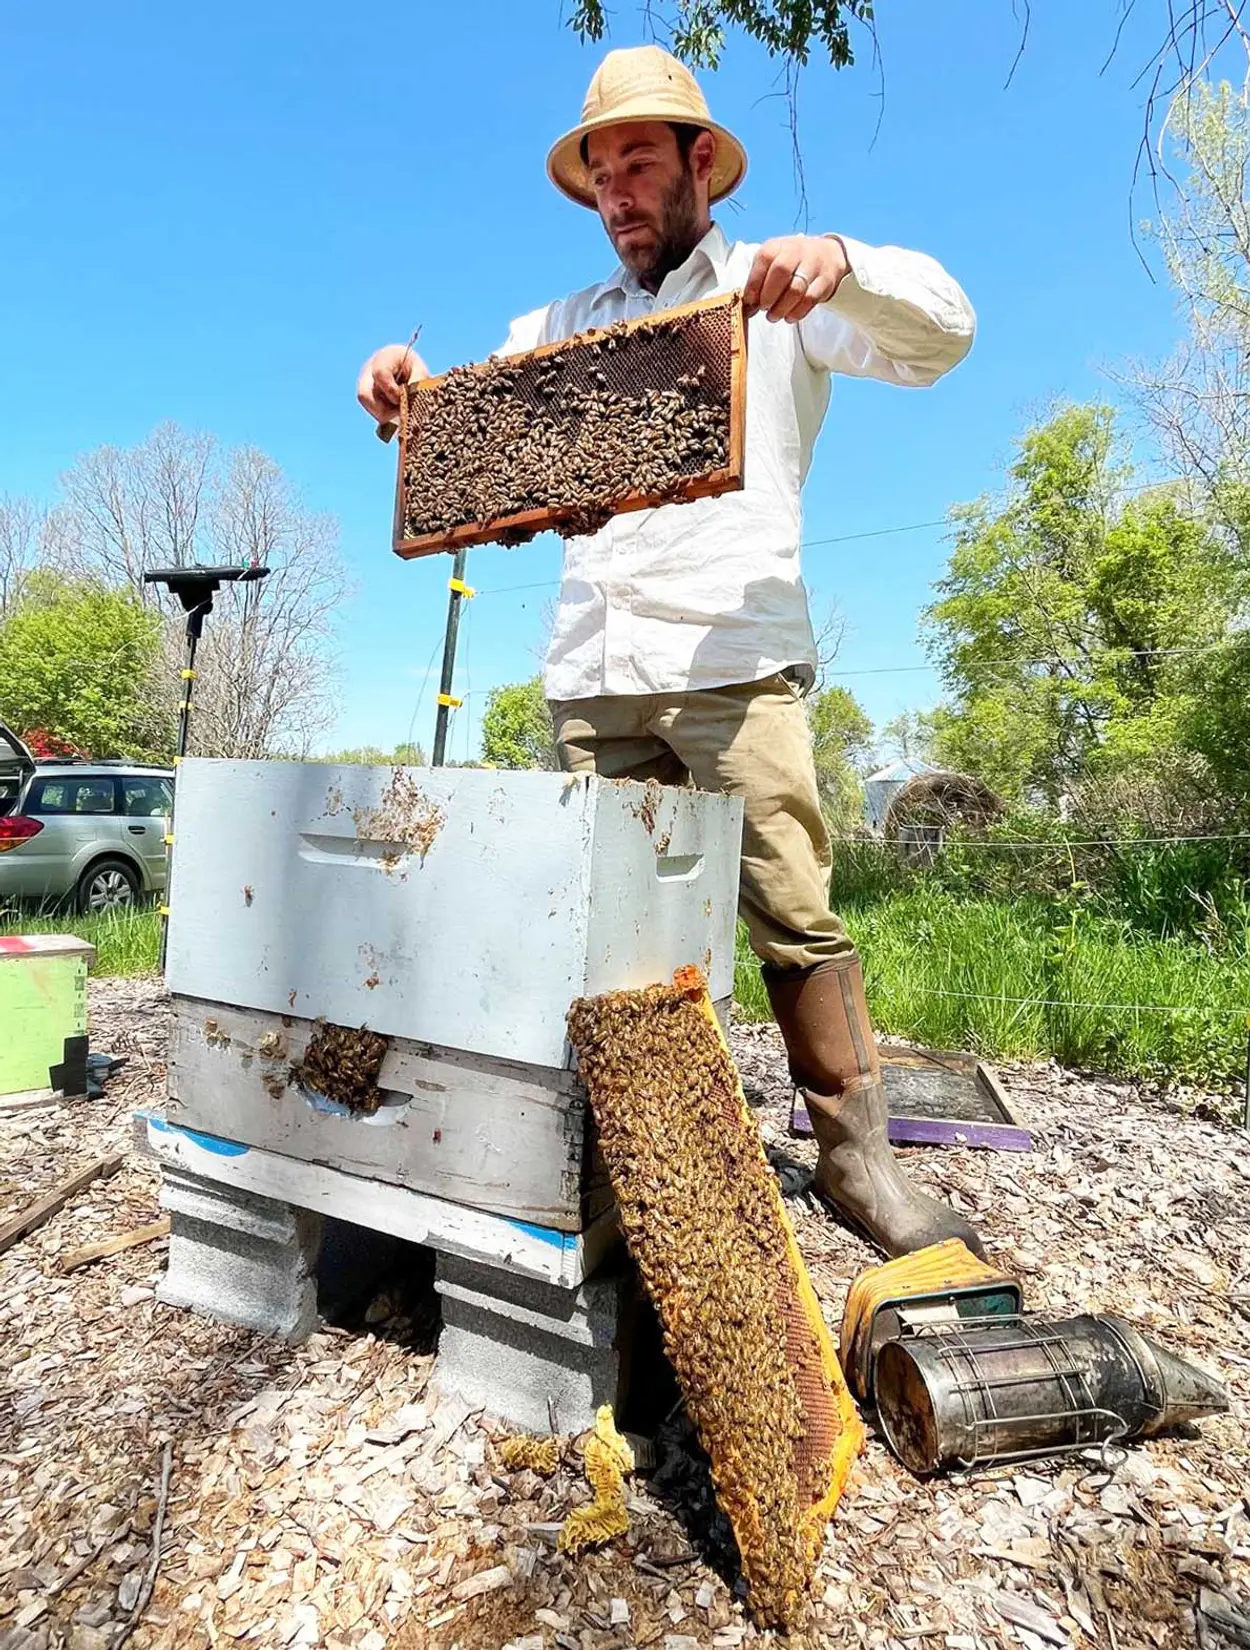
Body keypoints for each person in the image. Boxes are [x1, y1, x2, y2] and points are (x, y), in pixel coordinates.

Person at [357, 45, 983, 1259]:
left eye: (637, 163)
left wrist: (845, 263)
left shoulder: (772, 291)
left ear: (701, 161)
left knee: (791, 917)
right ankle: (642, 1159)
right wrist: (403, 393)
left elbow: (940, 335)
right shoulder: (551, 328)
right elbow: (470, 444)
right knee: (609, 937)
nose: (618, 194)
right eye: (600, 174)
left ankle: (856, 1165)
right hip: (592, 681)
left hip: (732, 667)